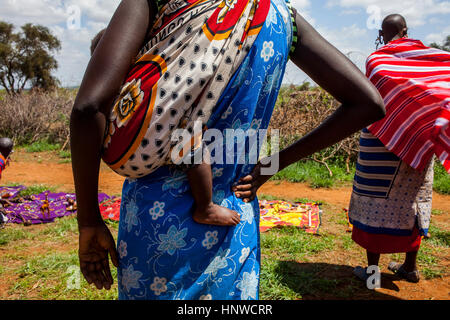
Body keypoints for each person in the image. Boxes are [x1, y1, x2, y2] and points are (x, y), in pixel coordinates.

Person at [70, 0, 385, 299]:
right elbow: (367, 103)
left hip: (155, 228)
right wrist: (271, 165)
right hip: (235, 216)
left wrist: (88, 220)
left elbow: (89, 108)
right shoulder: (281, 16)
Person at [90, 27, 240, 227]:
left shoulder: (107, 89)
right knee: (190, 138)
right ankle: (205, 207)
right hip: (154, 139)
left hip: (120, 153)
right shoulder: (145, 80)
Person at [339, 14, 448, 283]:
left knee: (374, 203)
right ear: (406, 30)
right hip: (419, 141)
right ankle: (410, 269)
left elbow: (372, 101)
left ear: (381, 33)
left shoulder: (376, 60)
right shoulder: (431, 56)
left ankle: (373, 275)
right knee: (414, 204)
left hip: (380, 145)